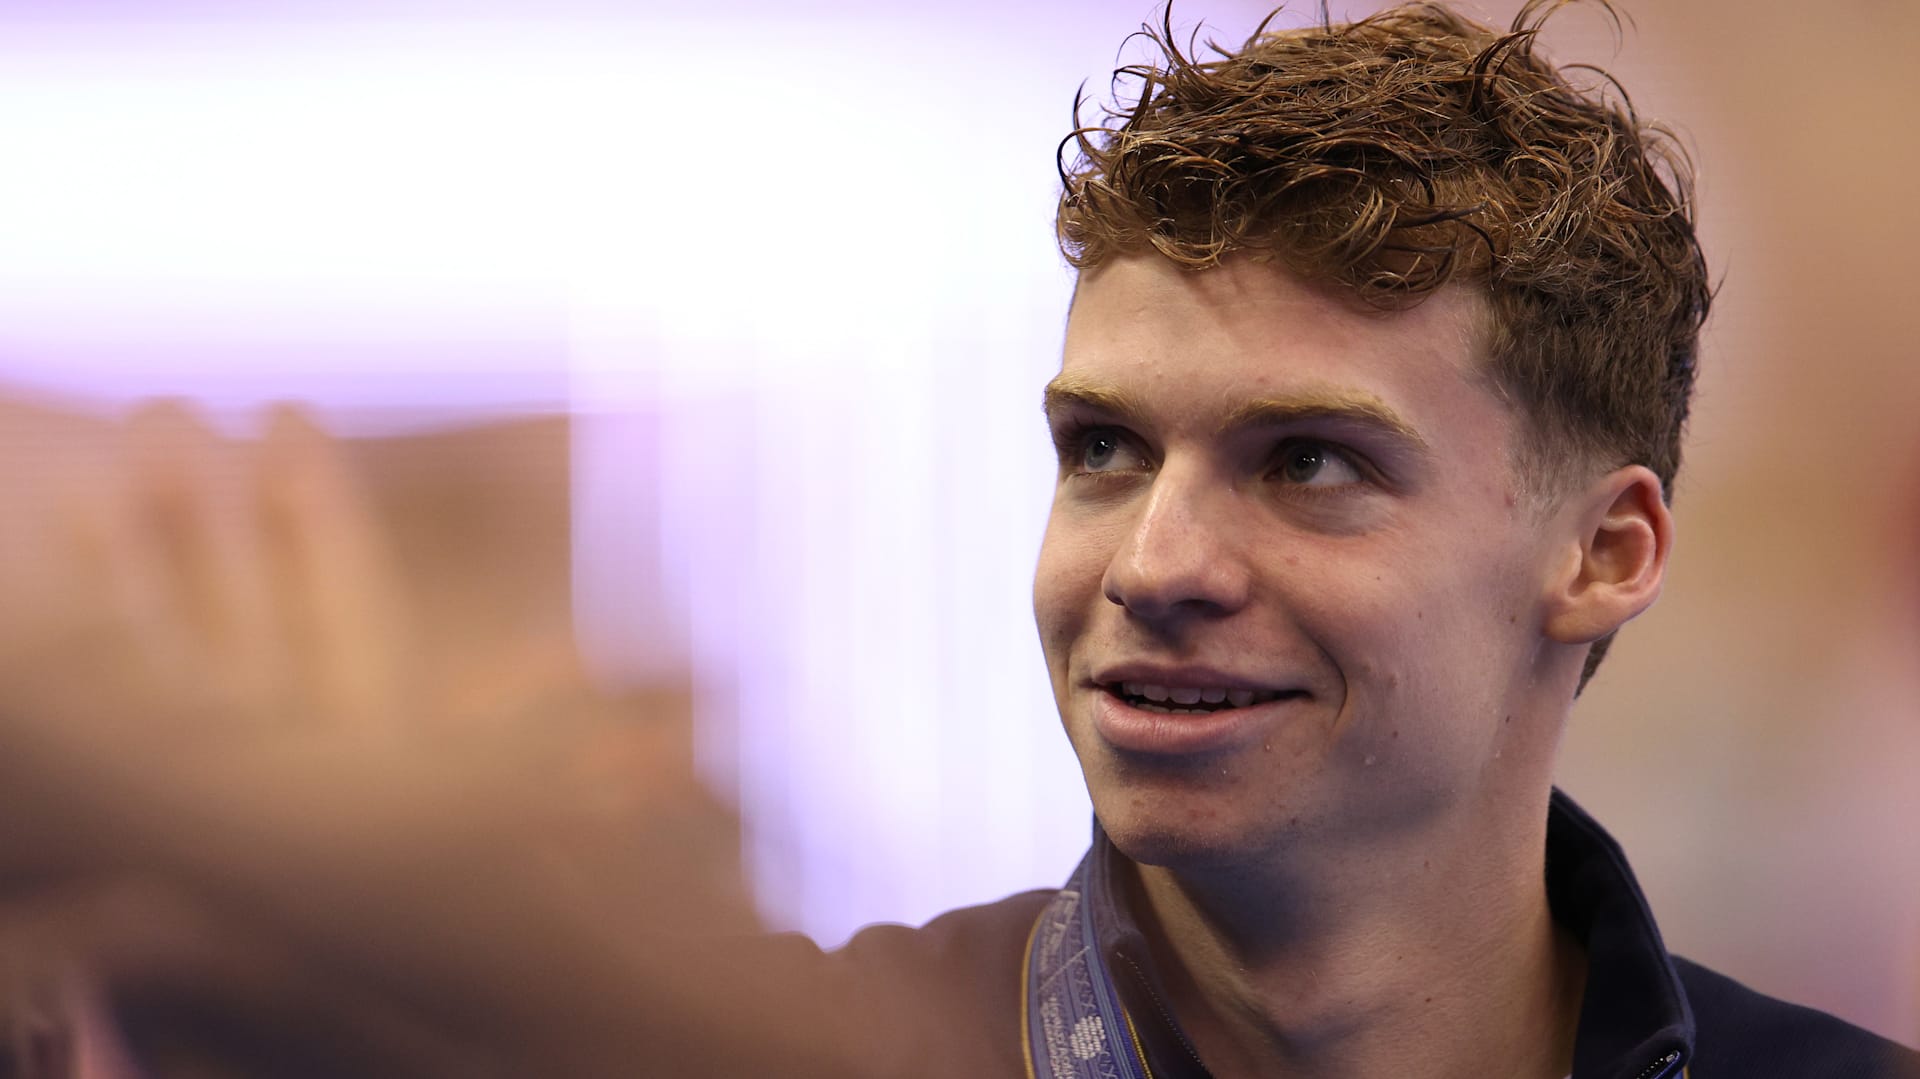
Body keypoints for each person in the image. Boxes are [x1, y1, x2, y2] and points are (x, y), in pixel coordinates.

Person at [0, 2, 1915, 1077]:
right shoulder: (831, 1039)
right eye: (1103, 450)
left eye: (1310, 464)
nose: (1150, 563)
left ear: (1605, 553)